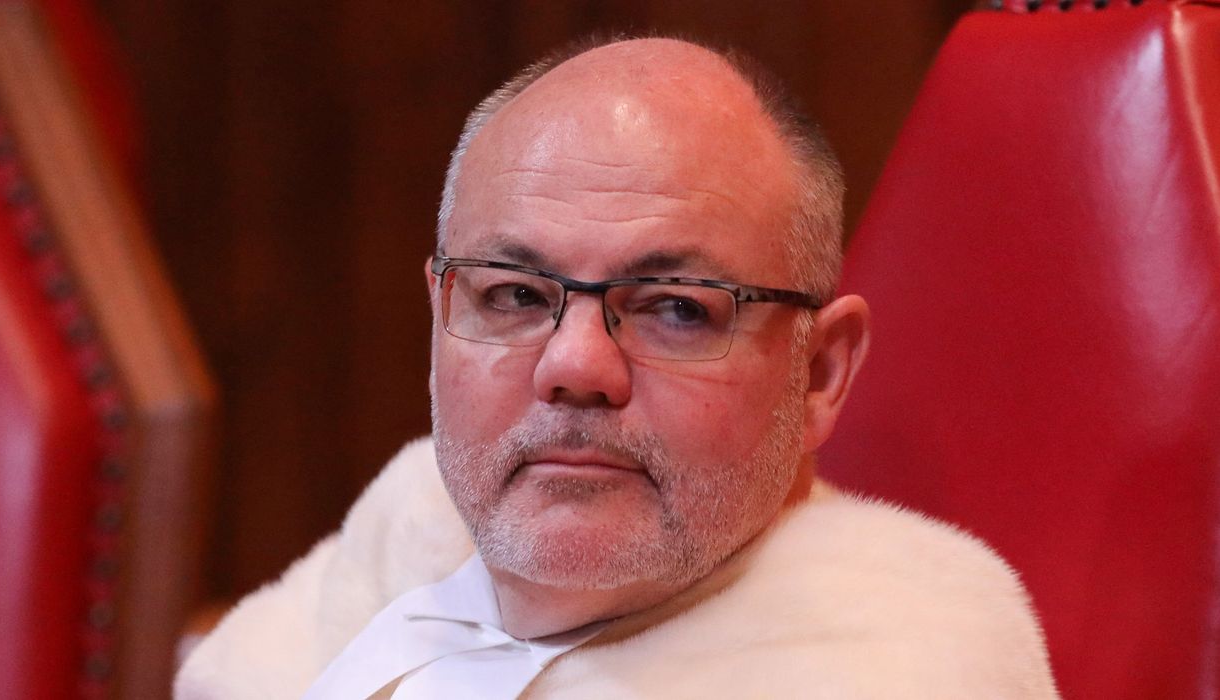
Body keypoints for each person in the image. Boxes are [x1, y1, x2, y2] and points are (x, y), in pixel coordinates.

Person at [177, 36, 1058, 699]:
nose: (574, 365)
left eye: (676, 307)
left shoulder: (899, 667)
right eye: (514, 296)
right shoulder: (411, 526)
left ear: (818, 372)